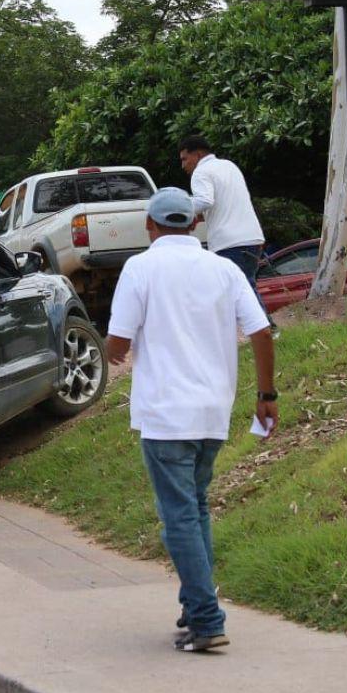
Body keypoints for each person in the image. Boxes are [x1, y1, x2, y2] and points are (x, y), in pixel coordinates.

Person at [106, 187, 279, 652]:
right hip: (212, 413)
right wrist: (266, 395)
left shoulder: (139, 268)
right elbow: (262, 331)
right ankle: (192, 607)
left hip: (165, 416)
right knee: (196, 508)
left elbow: (118, 344)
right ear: (196, 225)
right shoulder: (223, 269)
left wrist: (105, 353)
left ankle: (206, 619)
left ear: (150, 225)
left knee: (179, 516)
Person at [178, 135, 270, 316]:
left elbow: (204, 200)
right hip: (252, 237)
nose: (183, 166)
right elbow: (225, 203)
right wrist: (199, 215)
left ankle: (266, 329)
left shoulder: (201, 172)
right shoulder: (229, 166)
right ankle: (258, 330)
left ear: (197, 155)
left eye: (184, 159)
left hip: (229, 242)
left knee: (237, 288)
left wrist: (179, 208)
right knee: (242, 285)